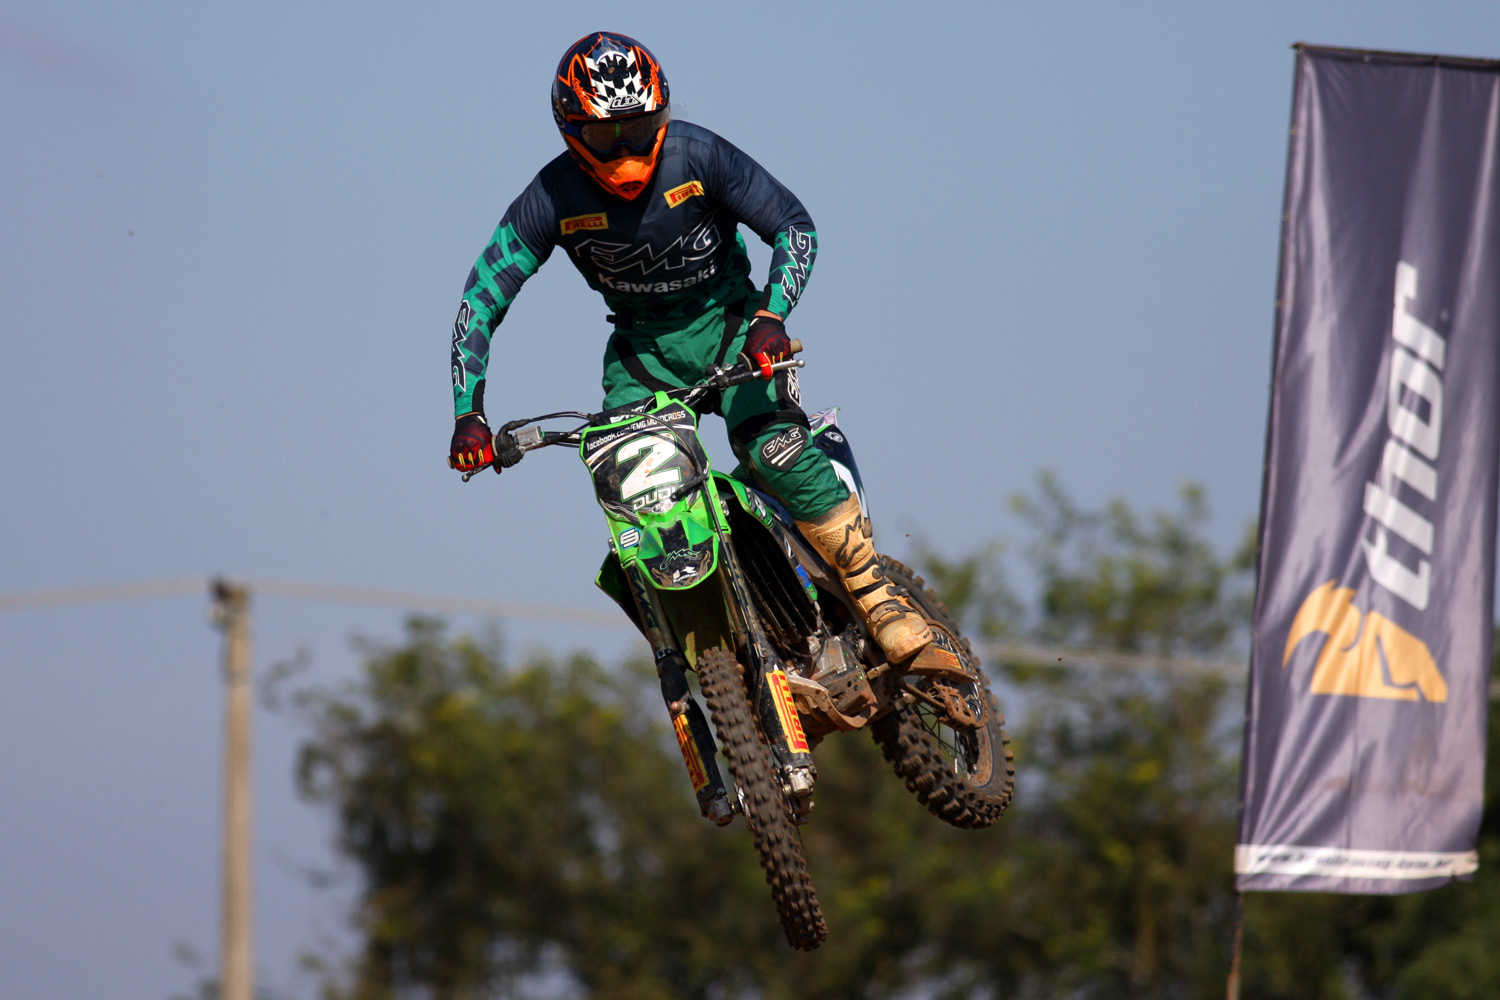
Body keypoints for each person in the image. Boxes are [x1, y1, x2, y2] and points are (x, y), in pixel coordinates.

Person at [447, 31, 930, 664]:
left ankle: (875, 595)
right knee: (640, 498)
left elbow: (795, 225)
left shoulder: (699, 155)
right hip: (642, 359)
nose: (624, 152)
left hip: (733, 326)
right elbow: (481, 299)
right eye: (603, 136)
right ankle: (728, 640)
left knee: (770, 451)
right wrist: (468, 414)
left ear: (662, 113)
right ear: (569, 130)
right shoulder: (550, 199)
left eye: (639, 128)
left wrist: (771, 315)